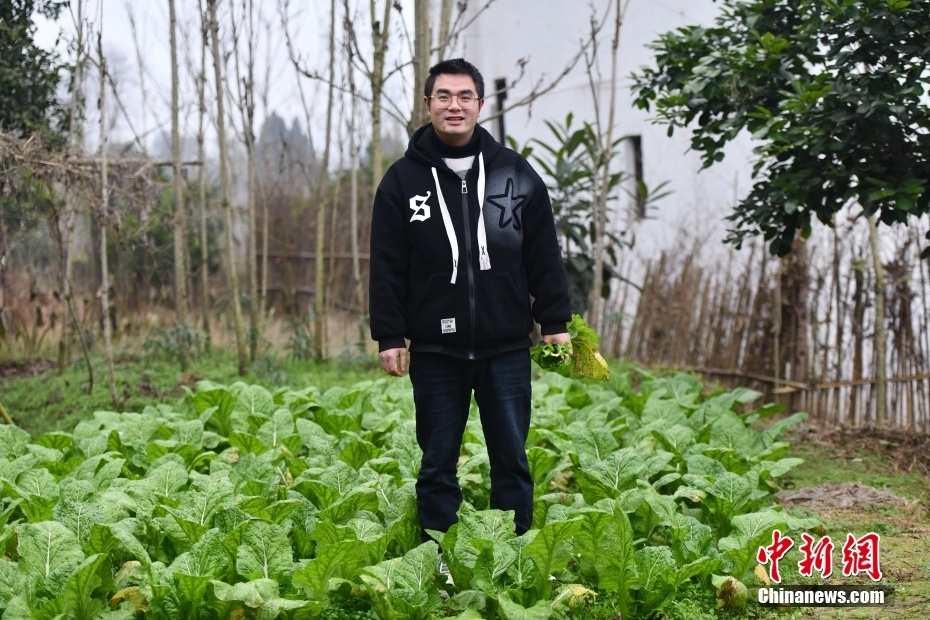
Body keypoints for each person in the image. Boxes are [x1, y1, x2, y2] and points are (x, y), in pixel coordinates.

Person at [368, 58, 572, 544]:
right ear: (427, 105)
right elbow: (387, 263)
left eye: (464, 96)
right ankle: (439, 561)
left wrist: (555, 320)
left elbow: (543, 250)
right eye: (443, 96)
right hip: (437, 351)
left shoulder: (515, 174)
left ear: (480, 104)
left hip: (505, 346)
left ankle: (514, 553)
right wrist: (390, 333)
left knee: (512, 459)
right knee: (437, 460)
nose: (454, 105)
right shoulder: (402, 181)